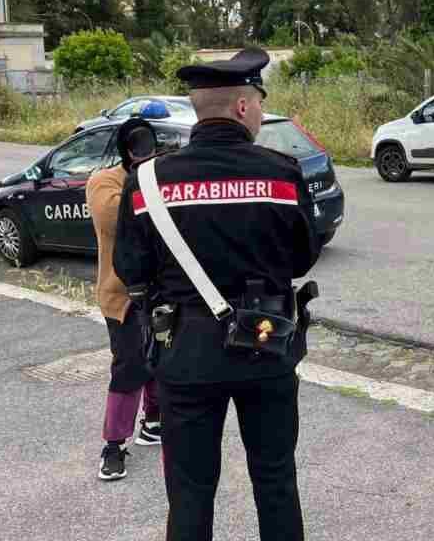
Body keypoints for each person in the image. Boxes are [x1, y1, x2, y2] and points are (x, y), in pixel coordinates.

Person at [113, 48, 320, 541]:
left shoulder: (146, 180)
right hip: (267, 344)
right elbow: (301, 258)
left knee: (188, 491)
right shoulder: (282, 173)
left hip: (184, 354)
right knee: (275, 482)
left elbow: (130, 269)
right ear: (245, 108)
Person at [87, 116, 164, 481]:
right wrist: (143, 179)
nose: (146, 152)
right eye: (139, 146)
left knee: (159, 358)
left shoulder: (158, 177)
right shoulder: (104, 182)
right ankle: (114, 444)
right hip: (122, 295)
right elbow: (111, 220)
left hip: (160, 290)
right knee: (130, 366)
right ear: (126, 151)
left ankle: (153, 421)